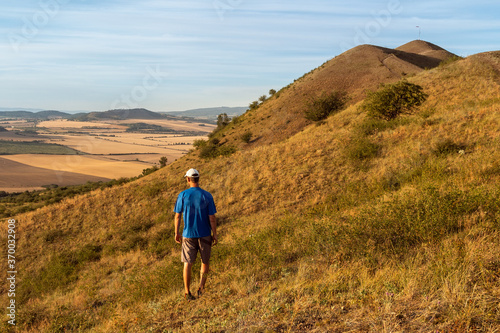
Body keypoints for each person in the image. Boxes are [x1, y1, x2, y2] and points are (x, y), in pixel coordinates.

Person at [174, 168, 218, 300]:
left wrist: (176, 232)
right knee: (205, 262)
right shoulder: (207, 195)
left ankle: (187, 292)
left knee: (187, 263)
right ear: (198, 179)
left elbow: (177, 216)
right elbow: (212, 218)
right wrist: (214, 234)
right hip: (204, 233)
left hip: (188, 234)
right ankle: (201, 288)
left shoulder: (182, 195)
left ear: (188, 179)